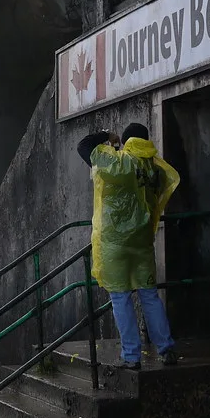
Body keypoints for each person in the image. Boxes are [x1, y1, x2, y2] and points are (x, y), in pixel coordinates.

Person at [77, 123, 181, 369]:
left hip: (115, 244)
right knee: (149, 295)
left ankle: (132, 356)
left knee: (120, 298)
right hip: (142, 241)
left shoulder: (119, 162)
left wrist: (106, 137)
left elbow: (84, 147)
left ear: (125, 141)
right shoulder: (155, 168)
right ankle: (166, 349)